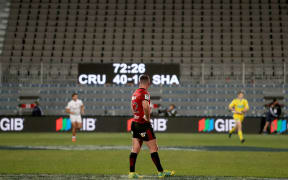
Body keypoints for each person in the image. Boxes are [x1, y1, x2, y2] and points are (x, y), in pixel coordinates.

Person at [128, 74, 175, 179]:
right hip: (143, 125)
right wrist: (147, 117)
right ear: (148, 83)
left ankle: (131, 173)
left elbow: (132, 107)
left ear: (140, 82)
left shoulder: (134, 93)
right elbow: (145, 106)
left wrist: (137, 114)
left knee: (135, 149)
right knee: (154, 148)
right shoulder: (145, 93)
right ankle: (160, 172)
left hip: (134, 123)